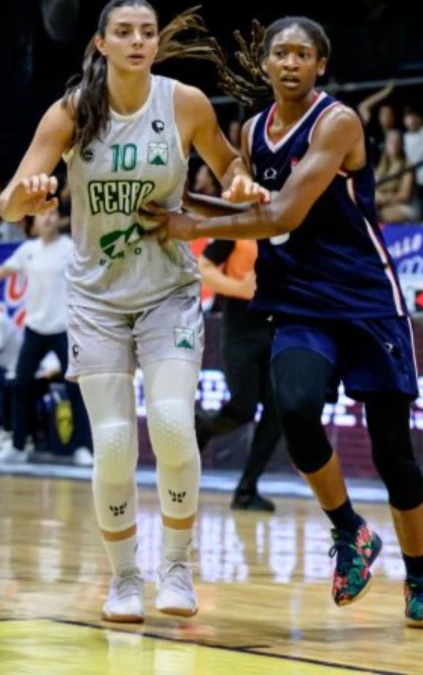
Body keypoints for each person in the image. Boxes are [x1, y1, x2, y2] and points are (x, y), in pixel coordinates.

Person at [151, 16, 423, 628]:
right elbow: (250, 207)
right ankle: (350, 533)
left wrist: (193, 225)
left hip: (367, 300)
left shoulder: (338, 122)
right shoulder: (252, 129)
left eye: (301, 54)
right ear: (265, 64)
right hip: (299, 300)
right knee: (295, 408)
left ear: (321, 64)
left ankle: (420, 580)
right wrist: (174, 205)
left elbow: (284, 210)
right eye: (279, 53)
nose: (289, 62)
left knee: (394, 454)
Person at [0, 1, 268, 624]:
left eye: (147, 32)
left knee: (173, 424)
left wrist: (237, 182)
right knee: (116, 445)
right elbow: (10, 205)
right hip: (96, 298)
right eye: (124, 32)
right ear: (101, 44)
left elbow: (229, 162)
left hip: (167, 290)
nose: (138, 41)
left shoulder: (184, 103)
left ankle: (176, 566)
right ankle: (124, 580)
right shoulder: (71, 113)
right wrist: (27, 193)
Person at [0, 210, 92, 467]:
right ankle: (18, 446)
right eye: (42, 215)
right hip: (34, 329)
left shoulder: (70, 248)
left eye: (52, 214)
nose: (48, 219)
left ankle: (84, 447)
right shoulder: (28, 250)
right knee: (20, 385)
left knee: (76, 387)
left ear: (59, 220)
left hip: (63, 329)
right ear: (34, 223)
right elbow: (4, 271)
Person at [194, 237, 280, 512]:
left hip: (279, 324)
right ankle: (202, 427)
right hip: (241, 324)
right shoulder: (239, 223)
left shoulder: (291, 223)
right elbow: (203, 267)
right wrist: (240, 288)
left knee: (277, 411)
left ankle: (246, 490)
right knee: (243, 406)